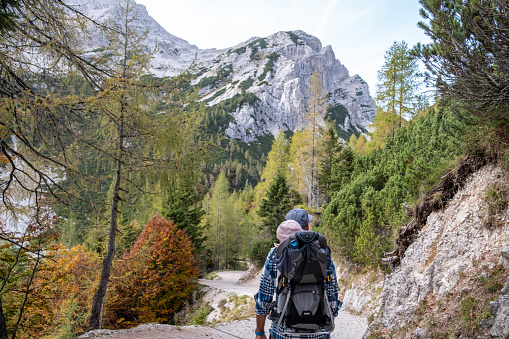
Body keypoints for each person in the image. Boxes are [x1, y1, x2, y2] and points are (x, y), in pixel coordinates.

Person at [254, 209, 341, 339]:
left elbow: (264, 297)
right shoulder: (322, 254)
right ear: (306, 227)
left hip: (282, 333)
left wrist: (260, 332)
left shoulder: (275, 254)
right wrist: (327, 328)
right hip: (317, 333)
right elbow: (332, 296)